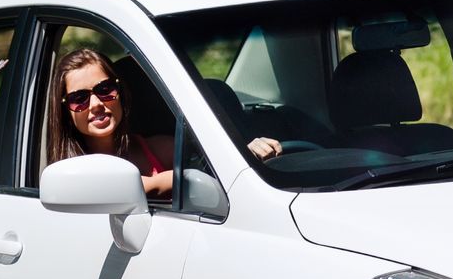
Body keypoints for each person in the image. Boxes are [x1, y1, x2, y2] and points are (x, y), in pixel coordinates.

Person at [45, 48, 281, 195]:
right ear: (66, 110)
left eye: (105, 89)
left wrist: (244, 152)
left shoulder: (156, 147)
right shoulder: (74, 174)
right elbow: (147, 186)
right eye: (79, 98)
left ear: (120, 92)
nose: (96, 103)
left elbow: (211, 161)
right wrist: (222, 168)